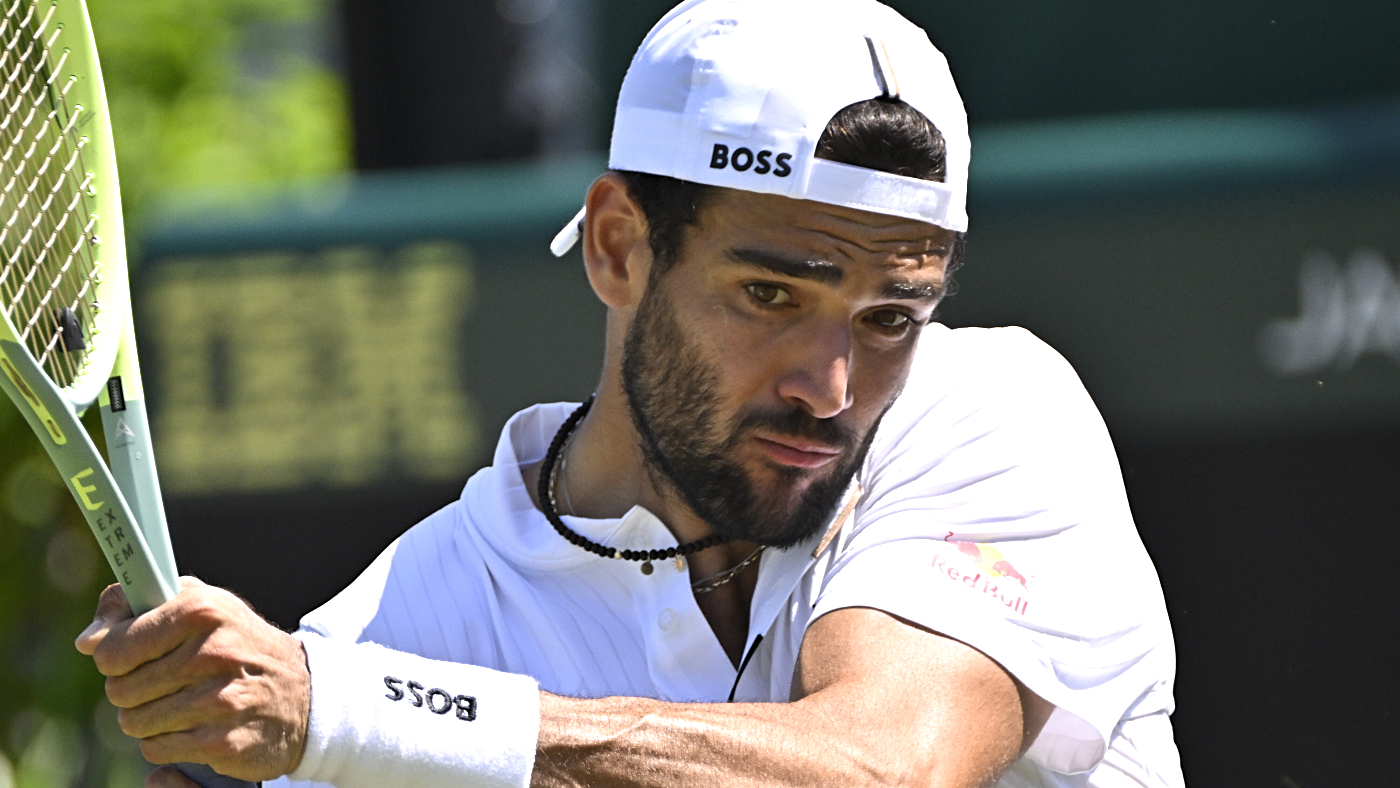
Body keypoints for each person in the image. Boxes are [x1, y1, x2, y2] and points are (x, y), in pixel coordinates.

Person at [76, 1, 1184, 786]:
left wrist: (361, 715)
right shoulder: (399, 624)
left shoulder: (991, 409)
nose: (830, 387)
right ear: (617, 246)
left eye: (888, 317)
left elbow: (885, 768)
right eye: (769, 294)